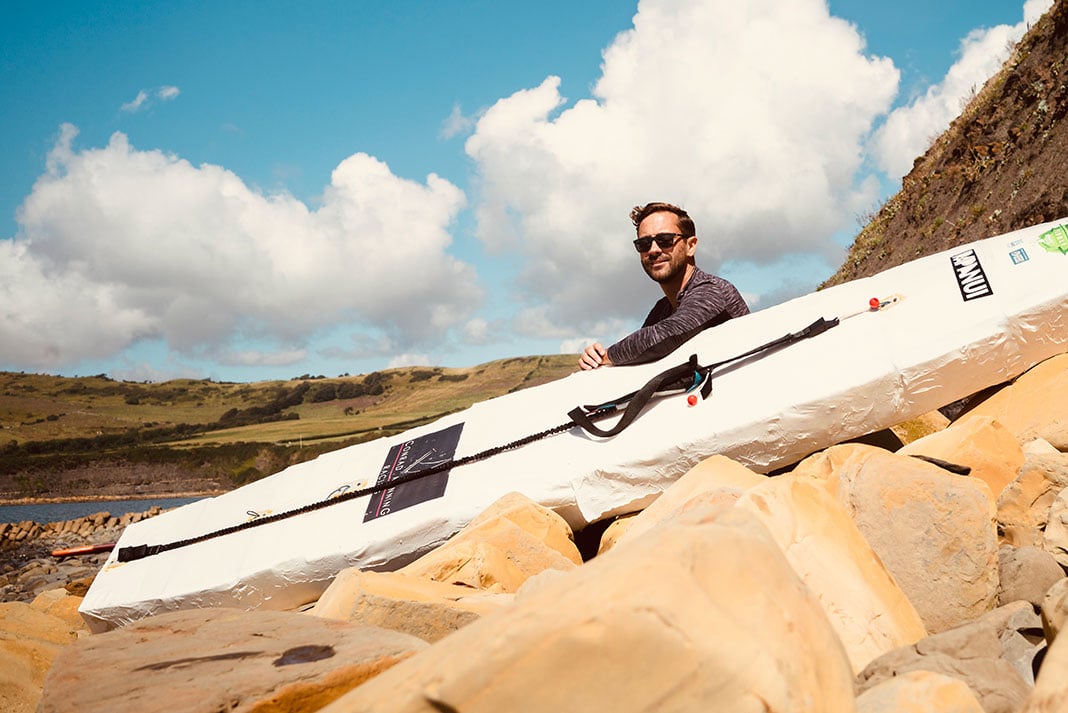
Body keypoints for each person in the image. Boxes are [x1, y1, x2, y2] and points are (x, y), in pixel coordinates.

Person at [579, 202, 749, 370]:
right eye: (644, 244)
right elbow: (643, 352)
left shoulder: (712, 290)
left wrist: (607, 356)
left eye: (665, 240)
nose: (653, 250)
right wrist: (594, 357)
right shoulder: (662, 309)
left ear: (690, 246)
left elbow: (664, 336)